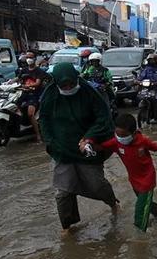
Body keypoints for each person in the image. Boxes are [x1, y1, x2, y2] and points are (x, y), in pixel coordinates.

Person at [39, 62, 119, 236]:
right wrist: (50, 141)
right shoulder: (50, 96)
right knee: (63, 192)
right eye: (64, 85)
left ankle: (113, 203)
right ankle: (67, 227)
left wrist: (88, 136)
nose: (68, 88)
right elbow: (44, 120)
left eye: (71, 84)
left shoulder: (90, 93)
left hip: (88, 147)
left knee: (97, 185)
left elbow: (103, 119)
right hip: (62, 149)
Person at [95, 113, 157, 232]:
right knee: (147, 203)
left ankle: (140, 236)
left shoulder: (142, 141)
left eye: (124, 135)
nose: (121, 137)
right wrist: (86, 142)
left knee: (140, 211)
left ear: (134, 133)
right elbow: (99, 147)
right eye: (118, 134)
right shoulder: (116, 143)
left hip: (147, 180)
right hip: (134, 181)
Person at [14, 52, 50, 142]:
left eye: (30, 57)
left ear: (35, 58)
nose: (28, 59)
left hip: (34, 95)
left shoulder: (39, 71)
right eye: (27, 57)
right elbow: (17, 79)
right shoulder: (24, 70)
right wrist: (8, 82)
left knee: (30, 114)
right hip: (23, 94)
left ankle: (38, 135)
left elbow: (37, 83)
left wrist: (28, 86)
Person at [138, 53, 157, 121]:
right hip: (148, 88)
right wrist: (137, 81)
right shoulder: (146, 69)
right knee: (141, 97)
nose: (151, 62)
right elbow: (141, 76)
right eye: (150, 60)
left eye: (153, 60)